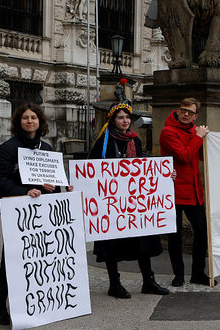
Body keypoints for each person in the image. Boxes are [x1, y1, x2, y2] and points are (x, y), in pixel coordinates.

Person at [0, 102, 68, 325]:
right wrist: (25, 191)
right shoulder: (8, 148)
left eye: (33, 117)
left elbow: (53, 180)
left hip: (41, 212)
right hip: (18, 210)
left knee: (39, 257)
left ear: (40, 122)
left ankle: (37, 302)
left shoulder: (47, 148)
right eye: (25, 118)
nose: (30, 121)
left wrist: (55, 188)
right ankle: (1, 306)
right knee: (12, 259)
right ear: (18, 122)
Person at [89, 102, 170, 298]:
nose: (125, 121)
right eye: (120, 117)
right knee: (112, 242)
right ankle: (114, 283)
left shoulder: (135, 140)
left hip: (133, 202)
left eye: (127, 117)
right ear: (112, 120)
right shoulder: (104, 141)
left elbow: (142, 168)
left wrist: (164, 176)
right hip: (112, 202)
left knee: (143, 239)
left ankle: (148, 281)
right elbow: (92, 169)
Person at [160, 98, 211, 286]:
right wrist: (198, 137)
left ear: (195, 116)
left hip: (194, 190)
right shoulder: (167, 132)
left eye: (190, 112)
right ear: (178, 110)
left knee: (202, 232)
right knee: (175, 236)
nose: (186, 114)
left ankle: (198, 272)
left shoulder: (194, 131)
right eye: (183, 110)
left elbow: (200, 156)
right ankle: (178, 275)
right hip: (173, 191)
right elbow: (184, 155)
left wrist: (205, 140)